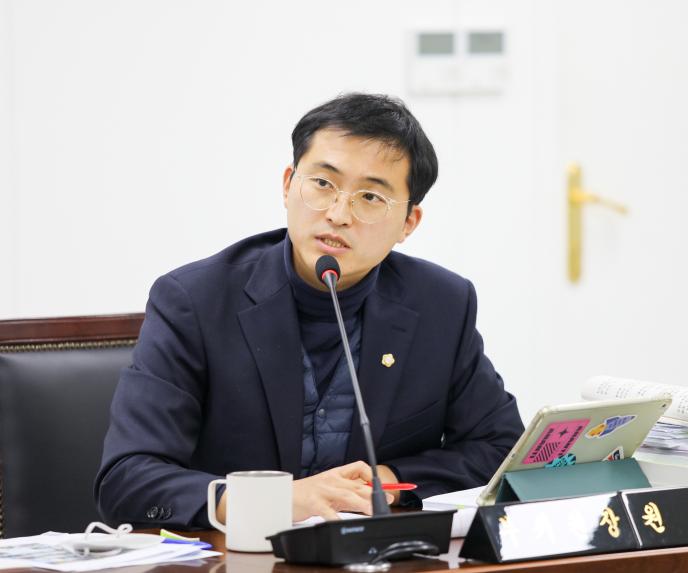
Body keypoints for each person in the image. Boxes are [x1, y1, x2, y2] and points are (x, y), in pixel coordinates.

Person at [95, 93, 524, 529]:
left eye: (370, 197)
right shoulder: (195, 301)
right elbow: (127, 480)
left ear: (408, 223)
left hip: (376, 553)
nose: (338, 214)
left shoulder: (440, 305)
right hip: (239, 553)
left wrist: (385, 481)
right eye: (322, 183)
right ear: (288, 185)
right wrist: (271, 501)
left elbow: (501, 450)